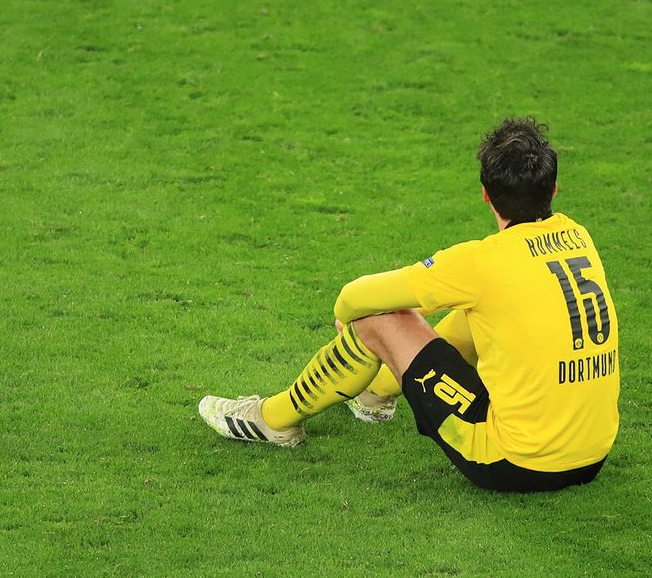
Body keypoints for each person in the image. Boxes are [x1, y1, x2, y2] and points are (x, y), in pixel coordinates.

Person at [199, 118, 620, 493]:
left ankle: (273, 420)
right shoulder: (578, 236)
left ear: (486, 196)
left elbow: (355, 296)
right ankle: (375, 396)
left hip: (514, 464)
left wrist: (349, 321)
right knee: (483, 315)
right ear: (555, 188)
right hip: (591, 456)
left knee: (378, 321)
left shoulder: (482, 262)